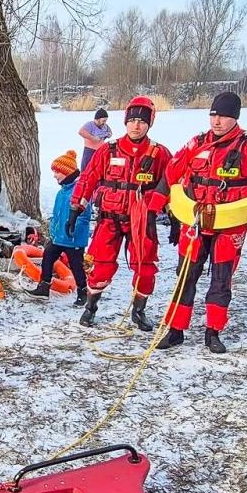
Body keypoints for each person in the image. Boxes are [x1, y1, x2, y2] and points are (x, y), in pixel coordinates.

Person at [157, 92, 247, 353]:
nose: (217, 121)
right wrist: (154, 213)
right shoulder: (196, 144)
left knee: (221, 280)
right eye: (214, 115)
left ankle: (213, 332)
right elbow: (170, 174)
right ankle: (176, 330)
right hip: (195, 222)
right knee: (185, 277)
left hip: (230, 226)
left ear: (235, 118)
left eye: (223, 116)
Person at [69, 96, 171, 330]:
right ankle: (90, 308)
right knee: (100, 265)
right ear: (125, 122)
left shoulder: (160, 154)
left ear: (149, 124)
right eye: (132, 120)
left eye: (142, 122)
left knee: (145, 266)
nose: (136, 125)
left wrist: (174, 217)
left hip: (142, 220)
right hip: (109, 219)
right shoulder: (108, 149)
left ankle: (139, 311)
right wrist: (76, 207)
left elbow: (173, 185)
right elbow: (88, 178)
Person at [26, 150, 91, 306]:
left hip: (73, 238)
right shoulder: (61, 192)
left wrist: (74, 230)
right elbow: (56, 215)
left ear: (67, 173)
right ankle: (44, 287)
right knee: (47, 257)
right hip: (58, 237)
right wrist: (53, 231)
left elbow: (83, 217)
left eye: (57, 172)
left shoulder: (80, 191)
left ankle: (83, 292)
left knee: (77, 266)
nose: (55, 175)